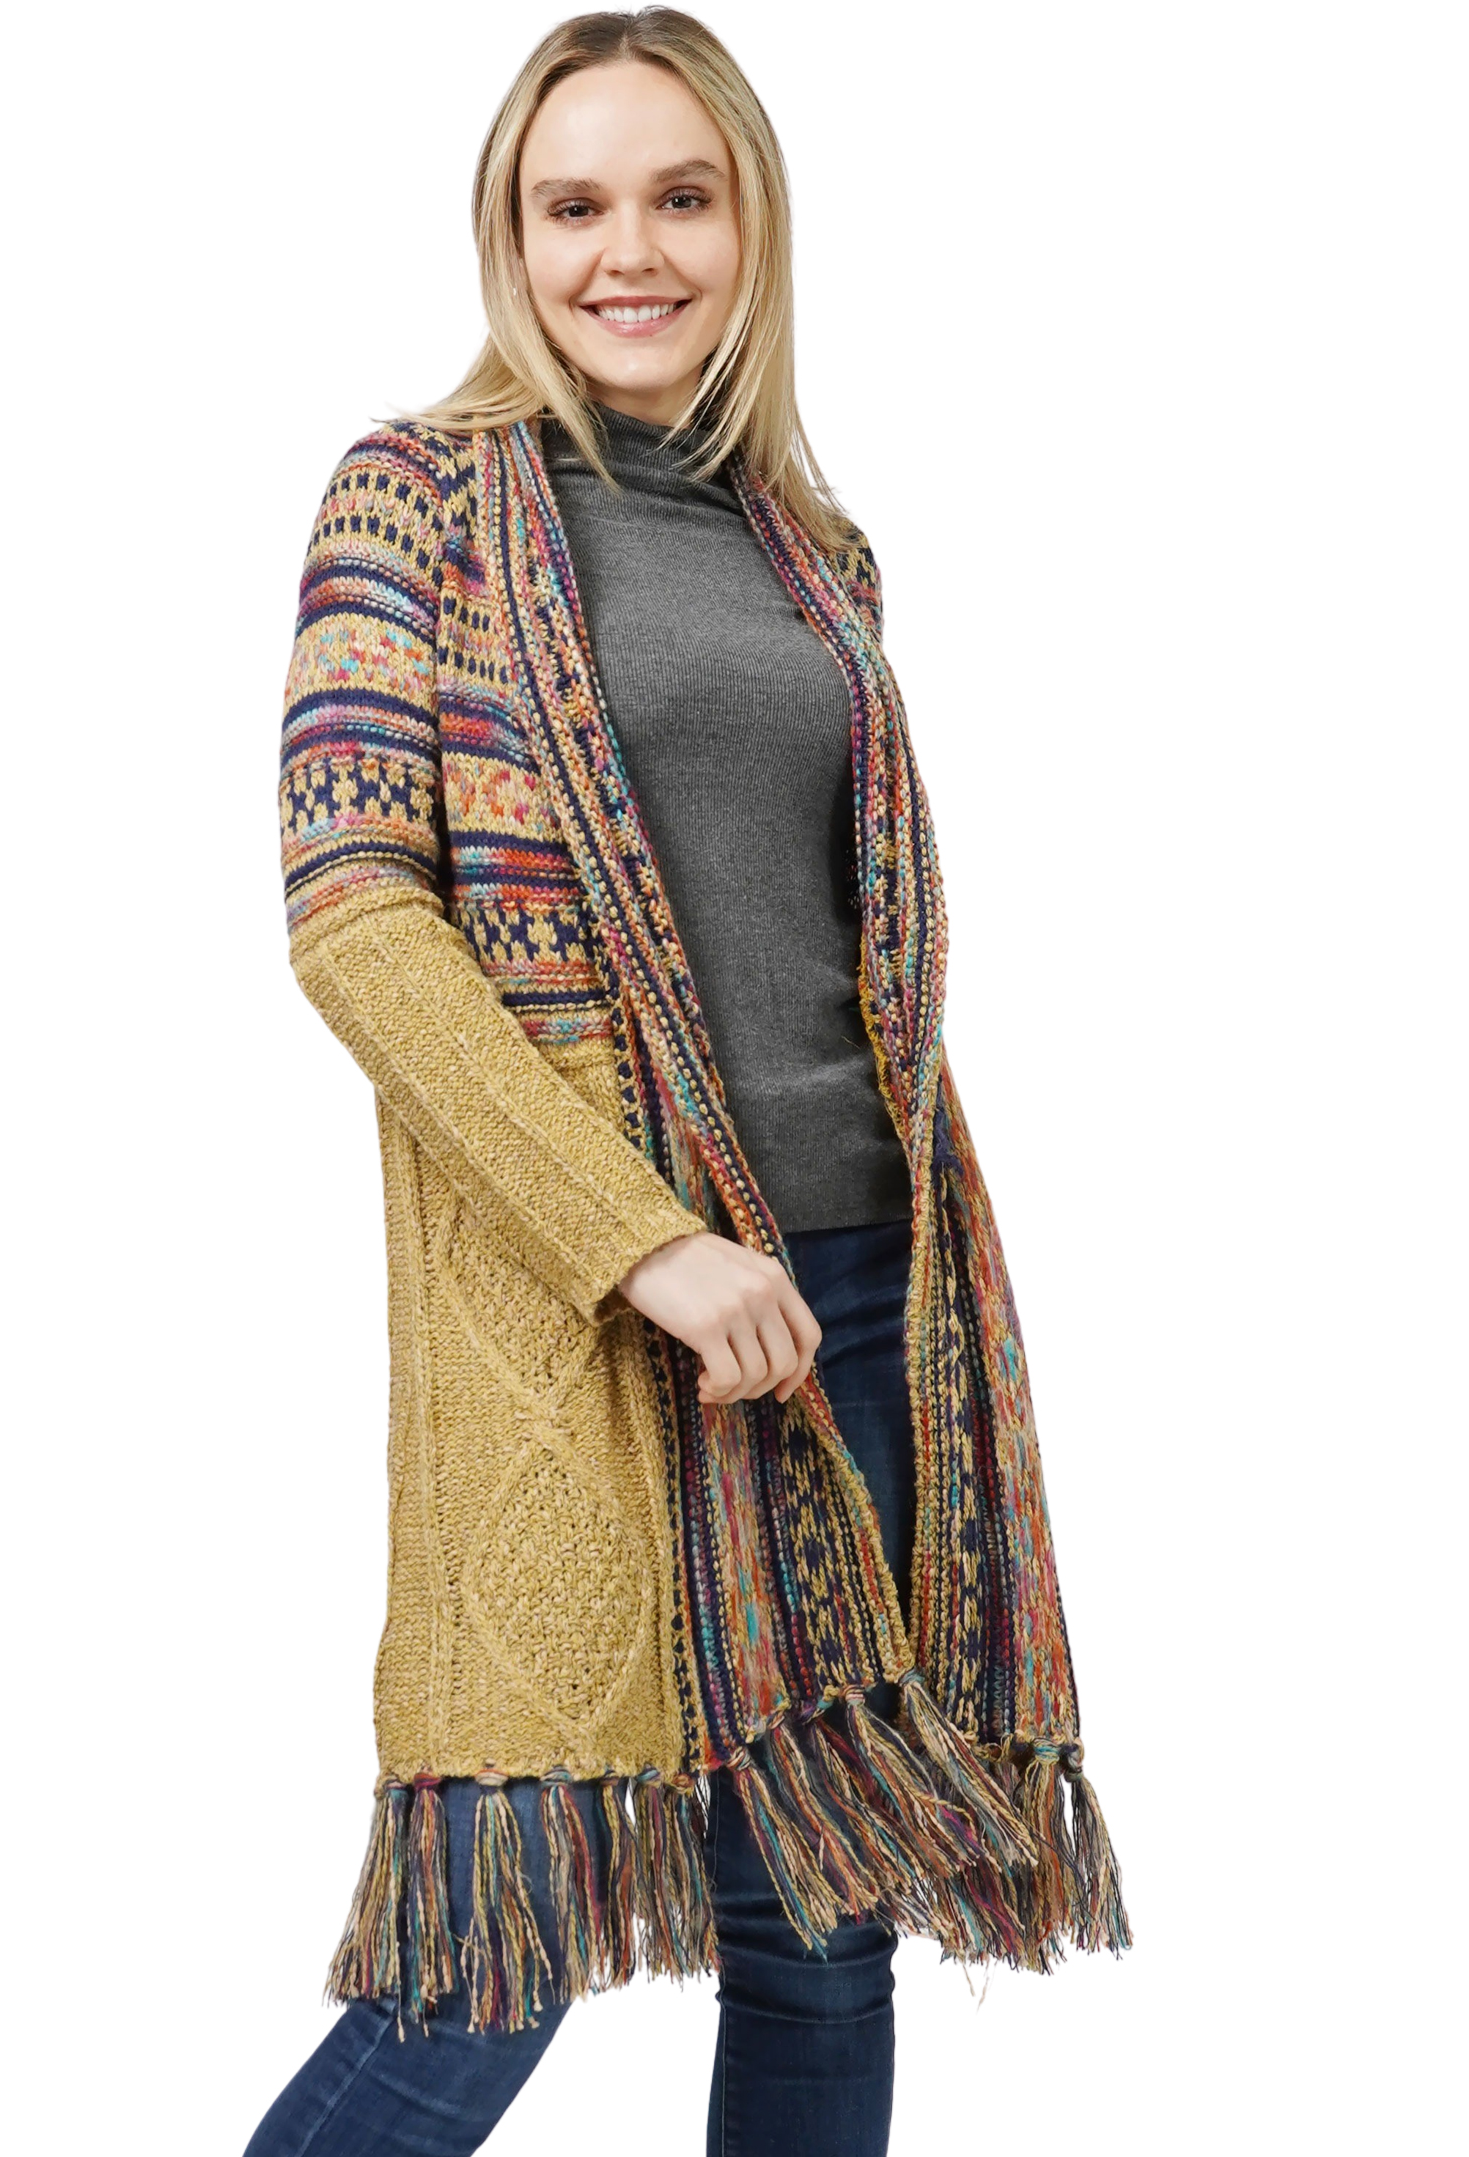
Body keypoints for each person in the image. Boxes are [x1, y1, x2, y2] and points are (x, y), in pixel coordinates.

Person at [249, 11, 1127, 2154]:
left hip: (859, 1297)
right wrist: (643, 1241)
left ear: (752, 225)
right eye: (574, 205)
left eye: (679, 196)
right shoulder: (414, 500)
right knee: (489, 1962)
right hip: (586, 1315)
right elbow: (356, 919)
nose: (626, 251)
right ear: (509, 235)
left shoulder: (811, 543)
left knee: (823, 1936)